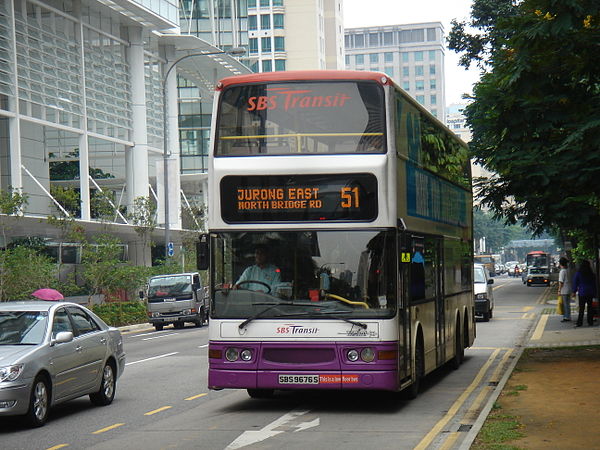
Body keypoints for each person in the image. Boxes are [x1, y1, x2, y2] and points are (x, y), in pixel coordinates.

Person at [572, 259, 597, 327]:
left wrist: (574, 291)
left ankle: (579, 322)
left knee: (581, 308)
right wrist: (595, 292)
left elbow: (575, 283)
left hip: (582, 292)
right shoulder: (591, 274)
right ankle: (590, 321)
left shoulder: (579, 273)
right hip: (590, 292)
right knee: (590, 307)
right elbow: (594, 283)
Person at [557, 257, 572, 322]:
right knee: (568, 304)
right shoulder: (568, 270)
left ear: (560, 264)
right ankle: (568, 316)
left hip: (564, 290)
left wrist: (559, 290)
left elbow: (561, 282)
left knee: (565, 304)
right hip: (569, 289)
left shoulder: (562, 271)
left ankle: (566, 317)